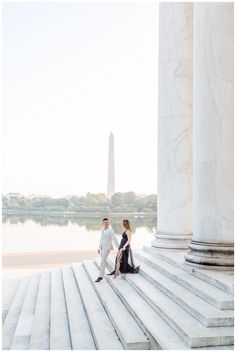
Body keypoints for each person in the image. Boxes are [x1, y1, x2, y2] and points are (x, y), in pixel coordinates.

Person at [95, 218, 119, 282]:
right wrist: (99, 248)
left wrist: (118, 247)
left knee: (102, 261)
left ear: (109, 223)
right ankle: (114, 271)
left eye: (107, 222)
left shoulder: (111, 230)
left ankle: (100, 276)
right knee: (105, 261)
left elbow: (114, 239)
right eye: (105, 222)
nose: (106, 223)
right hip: (102, 248)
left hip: (107, 249)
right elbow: (101, 240)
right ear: (103, 223)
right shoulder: (103, 230)